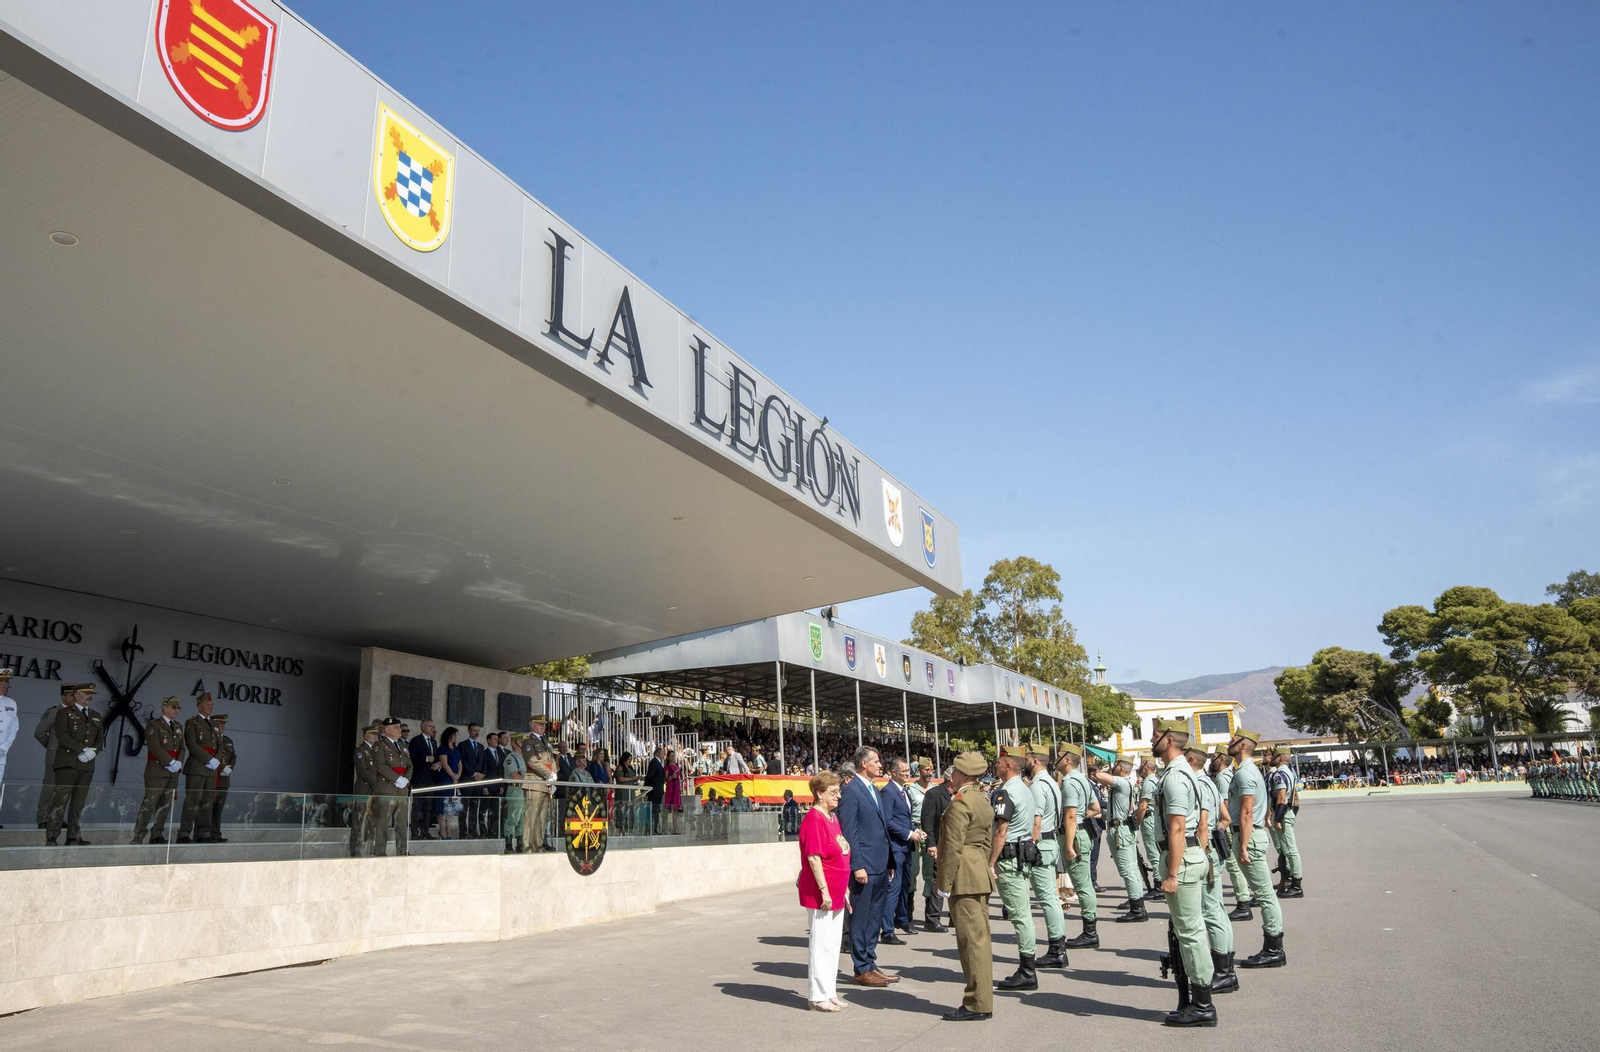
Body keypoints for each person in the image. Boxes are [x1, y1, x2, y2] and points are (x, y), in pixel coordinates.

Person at [1151, 719, 1216, 1027]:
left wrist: (1173, 873)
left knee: (1190, 933)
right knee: (1188, 931)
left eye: (1154, 736)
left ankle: (1203, 1005)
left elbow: (1177, 827)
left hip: (1182, 860)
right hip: (1190, 854)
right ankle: (1196, 999)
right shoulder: (1182, 773)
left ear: (1168, 740)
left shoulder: (1176, 777)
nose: (1151, 741)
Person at [936, 751, 996, 1022]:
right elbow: (985, 841)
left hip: (963, 876)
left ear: (962, 774)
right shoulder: (981, 799)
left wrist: (944, 883)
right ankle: (980, 1000)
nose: (953, 774)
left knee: (971, 943)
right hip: (978, 873)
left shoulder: (960, 802)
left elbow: (952, 847)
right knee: (979, 940)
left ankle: (976, 1003)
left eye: (955, 771)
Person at [836, 746, 897, 987]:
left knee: (875, 916)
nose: (880, 765)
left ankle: (870, 962)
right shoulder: (851, 791)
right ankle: (861, 967)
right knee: (861, 917)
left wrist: (889, 861)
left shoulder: (873, 789)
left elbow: (880, 829)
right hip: (865, 866)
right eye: (876, 761)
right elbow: (850, 830)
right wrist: (856, 864)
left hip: (880, 864)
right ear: (863, 763)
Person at [1227, 729, 1286, 969]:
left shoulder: (1245, 774)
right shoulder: (1247, 772)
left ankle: (1274, 948)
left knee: (1264, 895)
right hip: (1249, 836)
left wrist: (1243, 845)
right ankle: (1273, 947)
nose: (1228, 743)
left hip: (1248, 837)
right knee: (1263, 894)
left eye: (1233, 740)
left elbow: (1247, 812)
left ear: (1242, 745)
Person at [798, 770, 850, 1012]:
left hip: (838, 890)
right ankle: (817, 995)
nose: (838, 796)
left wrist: (843, 889)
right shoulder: (814, 819)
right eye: (833, 792)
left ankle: (829, 991)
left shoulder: (832, 818)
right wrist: (824, 890)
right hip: (822, 892)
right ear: (819, 794)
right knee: (820, 943)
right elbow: (814, 858)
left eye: (838, 792)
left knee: (832, 943)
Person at [1189, 746, 1237, 995]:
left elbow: (1203, 826)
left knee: (1210, 911)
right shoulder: (1209, 782)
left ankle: (1223, 973)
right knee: (1217, 909)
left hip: (1205, 853)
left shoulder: (1198, 783)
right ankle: (1227, 969)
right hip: (1213, 851)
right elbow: (1226, 818)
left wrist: (1204, 853)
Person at [1023, 746, 1069, 968]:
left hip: (1042, 843)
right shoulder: (1051, 782)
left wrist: (1030, 845)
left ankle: (1056, 949)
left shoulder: (1038, 786)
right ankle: (1058, 946)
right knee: (1051, 897)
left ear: (1033, 761)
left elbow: (1036, 821)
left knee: (1048, 899)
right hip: (1051, 842)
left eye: (1026, 758)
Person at [44, 683, 105, 845]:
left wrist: (94, 751)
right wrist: (83, 750)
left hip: (86, 766)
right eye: (86, 694)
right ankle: (52, 836)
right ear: (76, 695)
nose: (90, 697)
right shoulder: (64, 713)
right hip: (68, 762)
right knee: (60, 801)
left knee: (78, 803)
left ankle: (73, 836)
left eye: (91, 694)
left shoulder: (96, 715)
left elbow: (100, 738)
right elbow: (62, 736)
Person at [1090, 758, 1147, 920]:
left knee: (1128, 869)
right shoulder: (1124, 783)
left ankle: (1137, 909)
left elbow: (1097, 775)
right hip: (1120, 827)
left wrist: (1103, 772)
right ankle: (1136, 900)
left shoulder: (1122, 782)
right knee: (1131, 869)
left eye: (1115, 765)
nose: (1112, 768)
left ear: (1121, 768)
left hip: (1120, 829)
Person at [1057, 744, 1101, 950]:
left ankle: (1090, 932)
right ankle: (1089, 930)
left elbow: (1070, 815)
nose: (1055, 759)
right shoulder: (1082, 779)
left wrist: (1068, 845)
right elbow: (1096, 808)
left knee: (1083, 886)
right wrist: (1082, 817)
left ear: (1067, 759)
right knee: (1085, 885)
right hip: (1082, 832)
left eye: (1058, 756)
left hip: (1075, 835)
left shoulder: (1069, 782)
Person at [131, 695, 185, 845]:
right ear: (165, 707)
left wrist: (178, 763)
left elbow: (182, 748)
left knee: (166, 805)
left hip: (172, 772)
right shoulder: (154, 724)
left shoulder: (179, 726)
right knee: (149, 803)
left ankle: (157, 834)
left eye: (178, 708)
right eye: (174, 707)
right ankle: (138, 835)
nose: (177, 710)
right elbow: (154, 747)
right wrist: (169, 761)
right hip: (156, 771)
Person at [1211, 751, 1254, 918]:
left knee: (1233, 866)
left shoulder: (1222, 777)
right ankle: (1244, 899)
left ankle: (1243, 903)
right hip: (1232, 823)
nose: (1211, 760)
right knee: (1235, 866)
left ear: (1221, 759)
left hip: (1226, 825)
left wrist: (1221, 827)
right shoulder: (1228, 774)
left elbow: (1225, 804)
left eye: (1214, 757)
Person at [178, 691, 223, 843]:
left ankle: (203, 834)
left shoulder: (215, 724)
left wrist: (216, 760)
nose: (210, 707)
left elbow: (220, 745)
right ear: (199, 706)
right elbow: (191, 744)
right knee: (192, 801)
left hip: (211, 770)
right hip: (197, 767)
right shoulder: (192, 722)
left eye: (211, 704)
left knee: (208, 802)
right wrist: (208, 759)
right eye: (207, 704)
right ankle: (184, 834)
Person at [369, 717, 411, 856]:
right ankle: (380, 851)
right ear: (387, 730)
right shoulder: (379, 745)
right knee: (383, 823)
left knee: (401, 823)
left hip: (402, 789)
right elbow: (381, 765)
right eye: (396, 727)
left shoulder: (403, 746)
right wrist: (397, 778)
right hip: (387, 788)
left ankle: (402, 851)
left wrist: (405, 780)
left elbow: (410, 766)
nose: (400, 730)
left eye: (399, 727)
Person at [918, 763, 952, 932]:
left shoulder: (960, 794)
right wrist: (931, 844)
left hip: (954, 846)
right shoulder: (934, 794)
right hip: (938, 844)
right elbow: (927, 821)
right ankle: (932, 918)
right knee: (937, 881)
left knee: (955, 881)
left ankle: (954, 915)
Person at [1267, 746, 1304, 898]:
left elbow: (1281, 798)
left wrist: (1277, 819)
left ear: (1280, 759)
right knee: (1288, 850)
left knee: (1290, 850)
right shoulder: (1288, 773)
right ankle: (1290, 880)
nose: (1272, 759)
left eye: (1274, 756)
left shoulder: (1279, 775)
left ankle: (1296, 885)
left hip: (1283, 813)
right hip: (1286, 813)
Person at [900, 758, 932, 931]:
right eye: (926, 769)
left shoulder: (934, 789)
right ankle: (908, 910)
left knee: (929, 872)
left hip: (930, 833)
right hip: (914, 831)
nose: (929, 772)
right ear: (919, 770)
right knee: (912, 872)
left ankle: (930, 912)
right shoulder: (910, 789)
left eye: (931, 769)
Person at [32, 687, 69, 828]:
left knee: (63, 790)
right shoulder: (54, 712)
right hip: (54, 757)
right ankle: (43, 819)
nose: (73, 698)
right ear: (63, 697)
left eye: (75, 695)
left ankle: (57, 818)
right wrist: (52, 748)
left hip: (69, 758)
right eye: (70, 695)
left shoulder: (76, 714)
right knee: (49, 788)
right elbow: (40, 733)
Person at [520, 718, 557, 851]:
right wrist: (549, 774)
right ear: (533, 725)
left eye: (544, 725)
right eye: (540, 725)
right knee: (531, 816)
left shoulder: (546, 743)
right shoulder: (528, 741)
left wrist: (554, 774)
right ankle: (527, 846)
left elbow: (552, 760)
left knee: (542, 818)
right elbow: (532, 762)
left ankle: (538, 845)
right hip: (534, 781)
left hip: (545, 784)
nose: (542, 727)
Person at [349, 720, 380, 856]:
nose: (376, 737)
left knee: (371, 821)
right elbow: (363, 771)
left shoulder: (376, 751)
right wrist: (377, 782)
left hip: (374, 791)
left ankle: (369, 849)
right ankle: (355, 850)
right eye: (373, 735)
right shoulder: (360, 751)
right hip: (364, 789)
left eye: (376, 735)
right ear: (366, 735)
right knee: (359, 820)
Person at [408, 720, 441, 840]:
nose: (433, 728)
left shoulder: (433, 741)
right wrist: (425, 758)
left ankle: (425, 831)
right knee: (417, 806)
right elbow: (411, 757)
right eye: (430, 726)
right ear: (423, 727)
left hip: (430, 778)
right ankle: (415, 832)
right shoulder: (416, 740)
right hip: (419, 778)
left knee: (428, 806)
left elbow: (436, 758)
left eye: (433, 726)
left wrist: (438, 764)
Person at [458, 722, 490, 839]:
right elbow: (463, 762)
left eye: (478, 731)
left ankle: (473, 831)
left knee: (474, 808)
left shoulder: (481, 747)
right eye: (474, 730)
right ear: (469, 731)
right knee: (464, 808)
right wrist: (474, 773)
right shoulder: (462, 745)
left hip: (478, 782)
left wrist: (482, 775)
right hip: (467, 780)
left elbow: (484, 763)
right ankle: (463, 832)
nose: (476, 733)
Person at [1136, 759, 1162, 901]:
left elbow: (1143, 806)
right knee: (1155, 852)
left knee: (1153, 853)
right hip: (1154, 819)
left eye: (1141, 766)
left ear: (1146, 768)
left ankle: (1158, 885)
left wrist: (1136, 822)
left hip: (1149, 820)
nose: (1140, 769)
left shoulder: (1148, 782)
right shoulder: (1155, 780)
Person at [209, 713, 236, 842]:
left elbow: (233, 757)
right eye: (220, 723)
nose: (222, 726)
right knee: (207, 808)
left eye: (224, 723)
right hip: (211, 777)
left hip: (224, 779)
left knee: (218, 809)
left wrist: (229, 769)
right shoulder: (209, 739)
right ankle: (205, 834)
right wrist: (220, 768)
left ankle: (216, 834)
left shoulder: (228, 741)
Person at [0, 668, 17, 797]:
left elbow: (13, 728)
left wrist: (5, 747)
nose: (4, 685)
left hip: (1, 754)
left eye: (6, 682)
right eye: (1, 681)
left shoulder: (11, 703)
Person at [645, 746, 666, 834]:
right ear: (658, 753)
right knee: (653, 810)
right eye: (663, 753)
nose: (664, 755)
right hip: (654, 790)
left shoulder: (659, 762)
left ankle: (655, 828)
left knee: (656, 810)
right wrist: (646, 787)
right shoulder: (654, 762)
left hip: (658, 790)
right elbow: (650, 775)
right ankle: (651, 828)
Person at [663, 749, 684, 833]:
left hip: (676, 787)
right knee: (671, 808)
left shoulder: (676, 765)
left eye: (673, 756)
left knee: (676, 808)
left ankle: (675, 828)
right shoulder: (667, 766)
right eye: (671, 756)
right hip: (671, 787)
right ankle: (671, 828)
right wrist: (671, 776)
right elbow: (665, 779)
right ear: (668, 757)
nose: (672, 757)